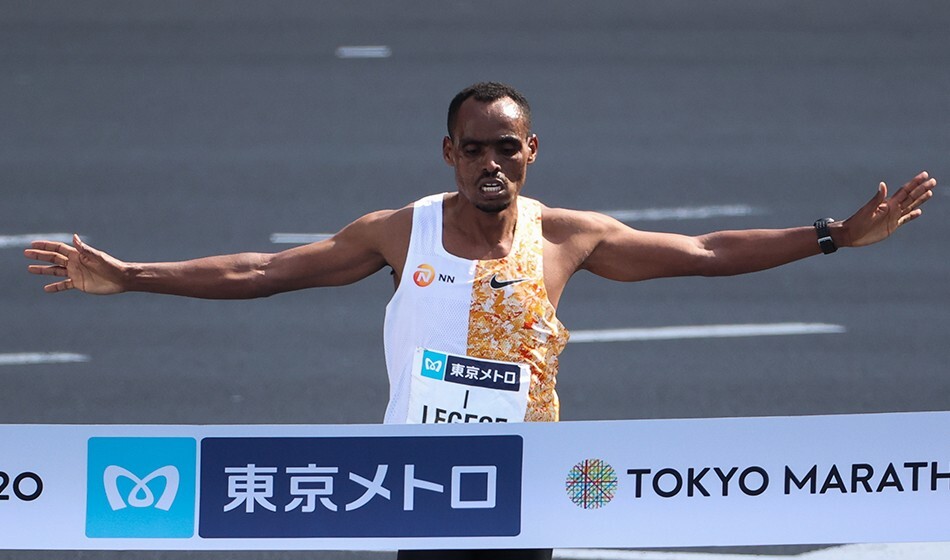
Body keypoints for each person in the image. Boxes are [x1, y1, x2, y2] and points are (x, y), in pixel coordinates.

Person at [24, 82, 937, 560]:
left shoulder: (566, 237)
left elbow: (703, 251)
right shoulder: (399, 232)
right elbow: (264, 271)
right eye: (474, 149)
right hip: (420, 480)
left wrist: (832, 235)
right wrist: (131, 276)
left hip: (524, 481)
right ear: (449, 154)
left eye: (508, 147)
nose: (491, 163)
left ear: (531, 151)